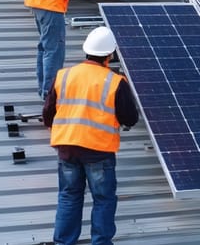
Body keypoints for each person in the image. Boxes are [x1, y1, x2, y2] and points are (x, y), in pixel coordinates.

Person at [43, 26, 139, 245]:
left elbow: (48, 113)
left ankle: (63, 242)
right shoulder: (114, 81)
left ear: (86, 50)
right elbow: (130, 118)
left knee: (69, 196)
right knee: (103, 199)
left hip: (66, 148)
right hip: (98, 151)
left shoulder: (64, 75)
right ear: (110, 54)